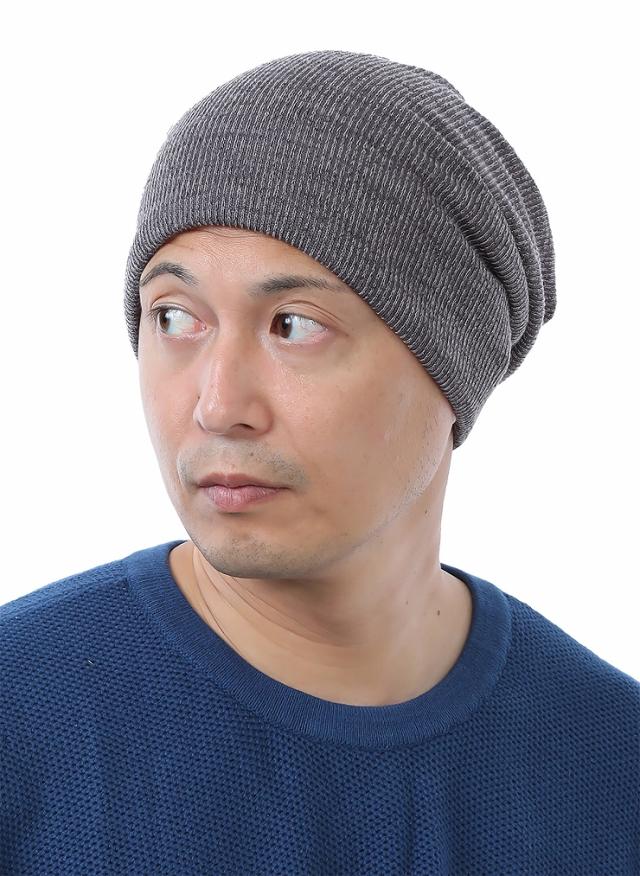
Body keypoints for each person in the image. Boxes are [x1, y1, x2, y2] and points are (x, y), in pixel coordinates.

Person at [1, 49, 638, 875]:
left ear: (452, 365)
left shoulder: (610, 765)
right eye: (175, 317)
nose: (218, 404)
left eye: (294, 325)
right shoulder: (22, 719)